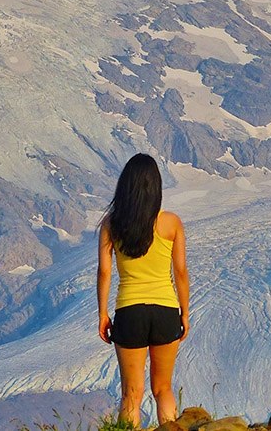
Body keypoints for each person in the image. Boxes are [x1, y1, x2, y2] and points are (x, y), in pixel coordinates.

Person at [97, 153, 190, 427]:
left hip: (129, 311)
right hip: (165, 310)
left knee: (131, 396)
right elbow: (181, 272)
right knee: (163, 389)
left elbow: (104, 272)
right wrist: (184, 313)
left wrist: (102, 314)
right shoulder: (171, 223)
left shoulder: (112, 224)